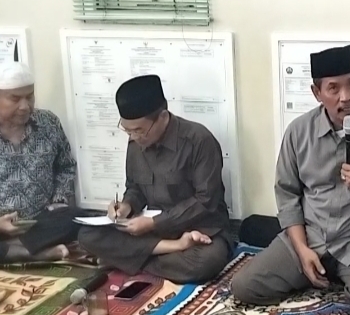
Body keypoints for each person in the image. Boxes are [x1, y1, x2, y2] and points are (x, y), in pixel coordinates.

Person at [231, 45, 350, 315]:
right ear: (316, 93)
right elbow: (287, 195)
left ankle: (343, 274)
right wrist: (301, 249)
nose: (346, 97)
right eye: (334, 88)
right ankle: (313, 268)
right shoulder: (298, 132)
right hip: (311, 235)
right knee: (244, 287)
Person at [78, 75, 233, 284]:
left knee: (206, 262)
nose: (134, 137)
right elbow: (135, 188)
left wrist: (153, 223)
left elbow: (206, 201)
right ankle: (163, 251)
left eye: (139, 131)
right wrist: (126, 206)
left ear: (162, 117)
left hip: (200, 231)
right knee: (87, 235)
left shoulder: (199, 140)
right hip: (153, 233)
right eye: (127, 130)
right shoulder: (135, 142)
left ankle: (128, 259)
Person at [0, 61, 85, 263]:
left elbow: (65, 167)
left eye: (29, 96)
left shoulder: (48, 123)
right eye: (15, 98)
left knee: (79, 217)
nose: (24, 106)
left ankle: (15, 249)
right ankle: (33, 252)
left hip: (42, 221)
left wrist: (59, 201)